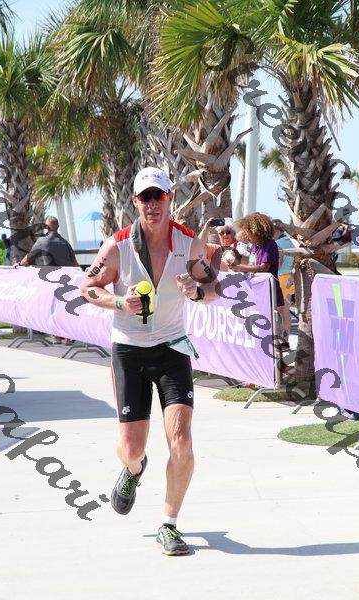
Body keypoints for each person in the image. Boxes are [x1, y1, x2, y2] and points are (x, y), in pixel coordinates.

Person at [80, 167, 216, 556]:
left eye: (159, 196)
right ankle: (133, 469)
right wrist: (119, 302)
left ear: (170, 199)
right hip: (129, 351)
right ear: (135, 202)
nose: (153, 204)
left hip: (172, 349)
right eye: (146, 197)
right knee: (132, 448)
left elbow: (213, 290)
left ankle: (169, 524)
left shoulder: (189, 244)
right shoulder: (117, 246)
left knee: (182, 442)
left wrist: (196, 291)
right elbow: (87, 287)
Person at [13, 216, 79, 345]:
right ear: (58, 227)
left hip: (51, 281)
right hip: (67, 280)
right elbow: (75, 264)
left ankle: (57, 336)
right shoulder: (65, 243)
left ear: (46, 227)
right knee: (65, 308)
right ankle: (68, 337)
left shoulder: (42, 241)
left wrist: (19, 265)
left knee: (52, 308)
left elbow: (29, 257)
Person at [232, 213, 289, 346]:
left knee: (272, 317)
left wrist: (239, 267)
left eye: (248, 231)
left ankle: (279, 344)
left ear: (256, 231)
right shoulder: (254, 246)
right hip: (257, 289)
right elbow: (253, 263)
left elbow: (263, 267)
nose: (246, 235)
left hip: (269, 289)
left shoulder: (270, 245)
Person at [273, 225, 294, 340]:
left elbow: (279, 265)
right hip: (289, 277)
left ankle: (278, 338)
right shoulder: (291, 241)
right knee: (285, 311)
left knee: (275, 310)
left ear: (276, 230)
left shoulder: (277, 244)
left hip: (280, 277)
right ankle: (286, 339)